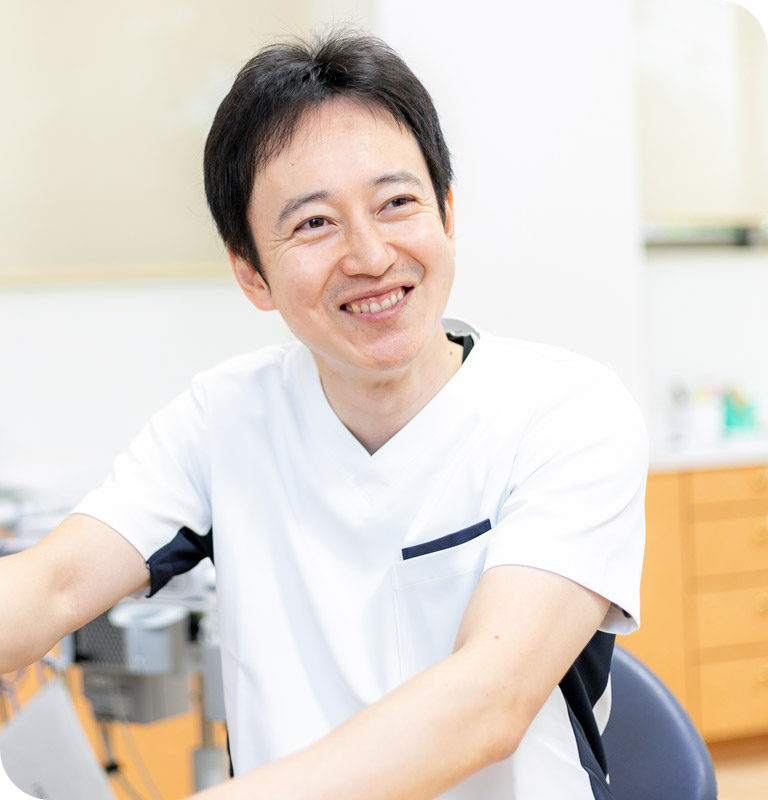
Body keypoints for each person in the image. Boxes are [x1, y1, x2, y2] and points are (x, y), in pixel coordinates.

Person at [1, 31, 647, 800]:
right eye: (314, 223)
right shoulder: (225, 417)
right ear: (252, 273)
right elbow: (56, 584)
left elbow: (487, 703)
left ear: (446, 214)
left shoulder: (566, 413)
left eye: (396, 203)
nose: (370, 256)